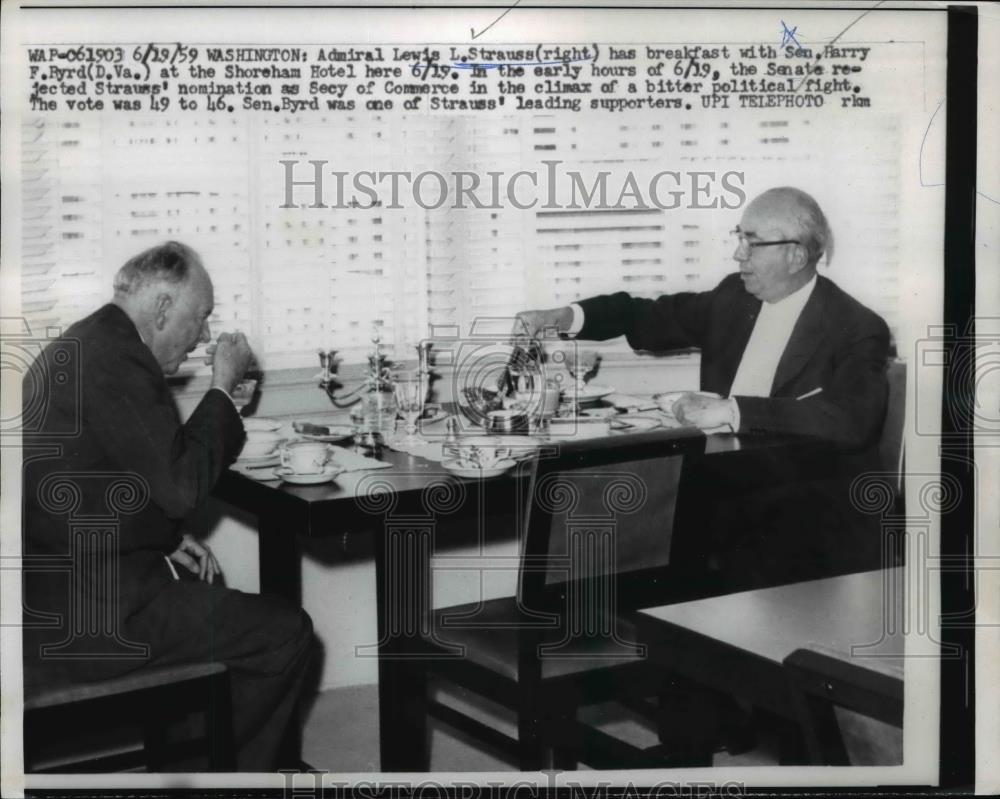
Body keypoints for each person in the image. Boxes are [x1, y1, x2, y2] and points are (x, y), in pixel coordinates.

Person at [22, 242, 314, 771]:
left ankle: (195, 766)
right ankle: (238, 781)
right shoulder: (117, 361)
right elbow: (181, 488)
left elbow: (102, 483)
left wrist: (168, 539)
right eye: (199, 318)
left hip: (52, 593)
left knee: (211, 597)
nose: (203, 335)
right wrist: (222, 387)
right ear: (161, 309)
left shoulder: (88, 342)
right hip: (94, 617)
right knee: (284, 631)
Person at [516, 187, 892, 584]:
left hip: (807, 518)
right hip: (726, 496)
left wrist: (734, 410)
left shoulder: (856, 327)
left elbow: (854, 419)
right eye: (739, 237)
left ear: (795, 255)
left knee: (635, 535)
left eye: (753, 242)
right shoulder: (734, 296)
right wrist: (564, 317)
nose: (738, 254)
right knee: (604, 522)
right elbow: (647, 315)